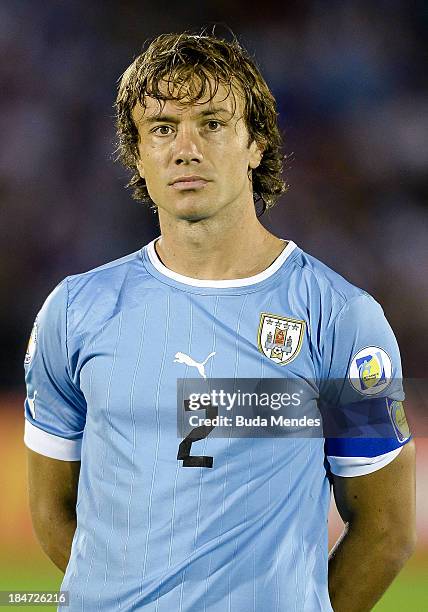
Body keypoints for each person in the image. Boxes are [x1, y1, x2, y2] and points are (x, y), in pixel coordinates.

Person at [24, 32, 416, 611]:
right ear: (136, 152)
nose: (186, 149)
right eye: (161, 128)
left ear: (256, 143)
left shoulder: (341, 318)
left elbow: (386, 532)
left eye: (211, 123)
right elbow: (52, 511)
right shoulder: (75, 311)